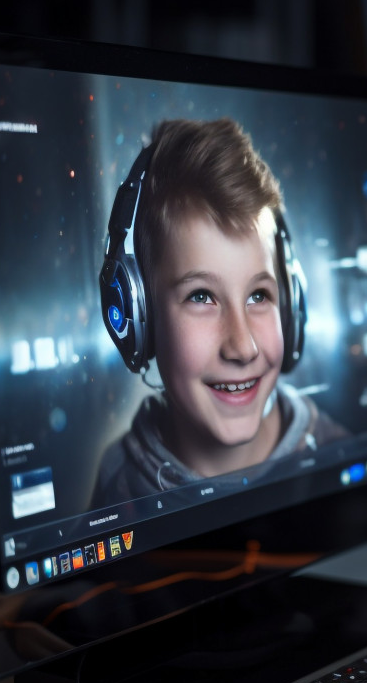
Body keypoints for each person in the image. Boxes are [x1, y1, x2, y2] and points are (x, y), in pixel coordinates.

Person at [94, 118, 346, 505]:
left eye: (259, 296)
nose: (242, 348)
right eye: (200, 297)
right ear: (138, 315)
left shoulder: (338, 454)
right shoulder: (117, 488)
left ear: (291, 304)